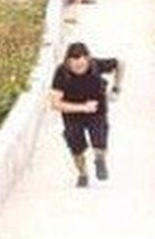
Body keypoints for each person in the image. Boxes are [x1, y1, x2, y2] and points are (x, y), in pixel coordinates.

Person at [50, 41, 123, 187]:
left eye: (82, 65)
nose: (79, 69)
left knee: (100, 140)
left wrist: (116, 88)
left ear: (88, 59)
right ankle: (83, 174)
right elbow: (55, 103)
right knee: (76, 146)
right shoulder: (61, 73)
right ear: (68, 62)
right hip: (72, 112)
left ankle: (99, 159)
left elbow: (120, 63)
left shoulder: (96, 65)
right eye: (75, 66)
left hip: (97, 109)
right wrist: (83, 107)